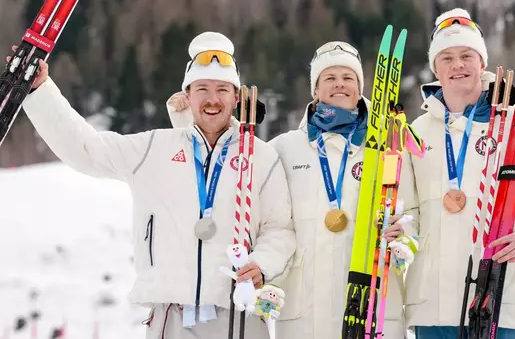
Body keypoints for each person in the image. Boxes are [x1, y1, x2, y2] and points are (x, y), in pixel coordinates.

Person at [12, 31, 296, 339]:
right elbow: (86, 149)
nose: (212, 99)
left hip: (238, 317)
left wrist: (261, 264)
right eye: (202, 88)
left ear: (236, 97)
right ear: (187, 95)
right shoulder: (154, 149)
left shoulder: (261, 158)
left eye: (222, 89)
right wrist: (41, 91)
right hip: (170, 317)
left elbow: (280, 229)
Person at [166, 41, 410, 338]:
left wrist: (404, 238)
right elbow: (229, 171)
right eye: (329, 79)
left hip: (370, 307)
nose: (339, 85)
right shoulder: (283, 149)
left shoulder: (389, 147)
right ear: (315, 91)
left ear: (360, 89)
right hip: (303, 313)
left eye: (348, 78)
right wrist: (186, 123)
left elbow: (411, 215)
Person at [399, 8, 515, 338]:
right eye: (448, 57)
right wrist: (399, 230)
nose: (458, 65)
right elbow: (408, 212)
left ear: (482, 63)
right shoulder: (418, 131)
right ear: (435, 68)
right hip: (433, 310)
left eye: (467, 55)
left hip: (502, 302)